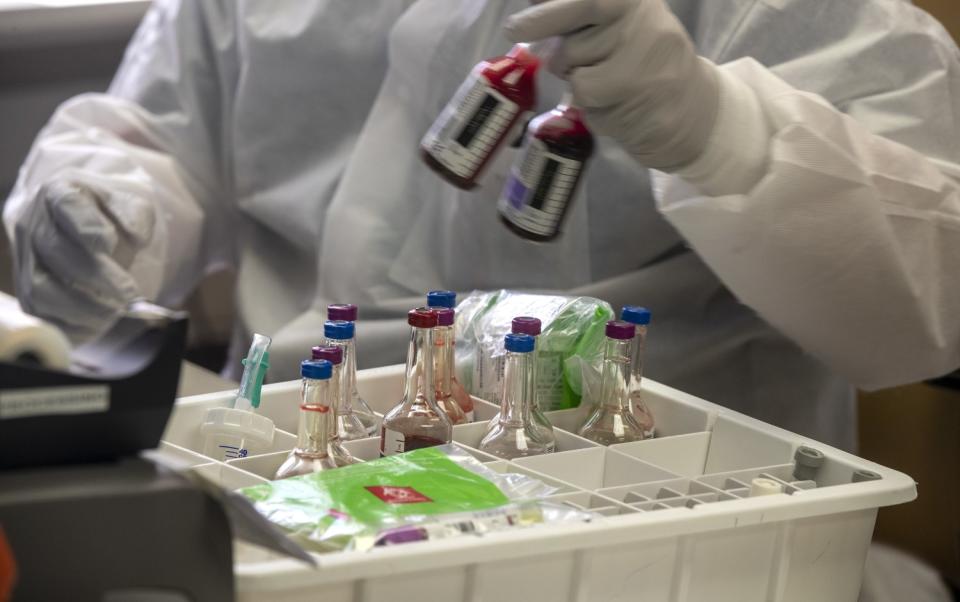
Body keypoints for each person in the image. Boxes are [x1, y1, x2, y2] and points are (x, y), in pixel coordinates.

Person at [4, 0, 960, 454]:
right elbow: (158, 134)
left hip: (657, 489)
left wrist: (729, 134)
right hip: (299, 456)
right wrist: (109, 201)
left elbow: (937, 299)